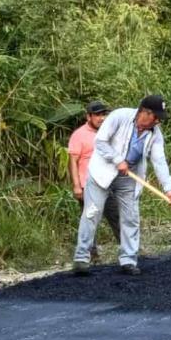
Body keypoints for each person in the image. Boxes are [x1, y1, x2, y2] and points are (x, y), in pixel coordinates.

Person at [73, 95, 171, 276]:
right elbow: (100, 141)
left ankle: (128, 260)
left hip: (130, 177)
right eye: (156, 117)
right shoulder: (120, 116)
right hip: (102, 173)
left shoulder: (155, 133)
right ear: (145, 113)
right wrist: (116, 159)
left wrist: (169, 190)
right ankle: (81, 258)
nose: (158, 121)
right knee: (92, 213)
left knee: (131, 217)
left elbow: (159, 161)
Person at [68, 100, 121, 261]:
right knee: (90, 219)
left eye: (104, 114)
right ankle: (91, 255)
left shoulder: (108, 133)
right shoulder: (79, 135)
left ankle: (129, 249)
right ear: (89, 116)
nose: (101, 118)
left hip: (108, 183)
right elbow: (73, 162)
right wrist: (77, 186)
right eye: (98, 115)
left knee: (117, 217)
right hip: (87, 185)